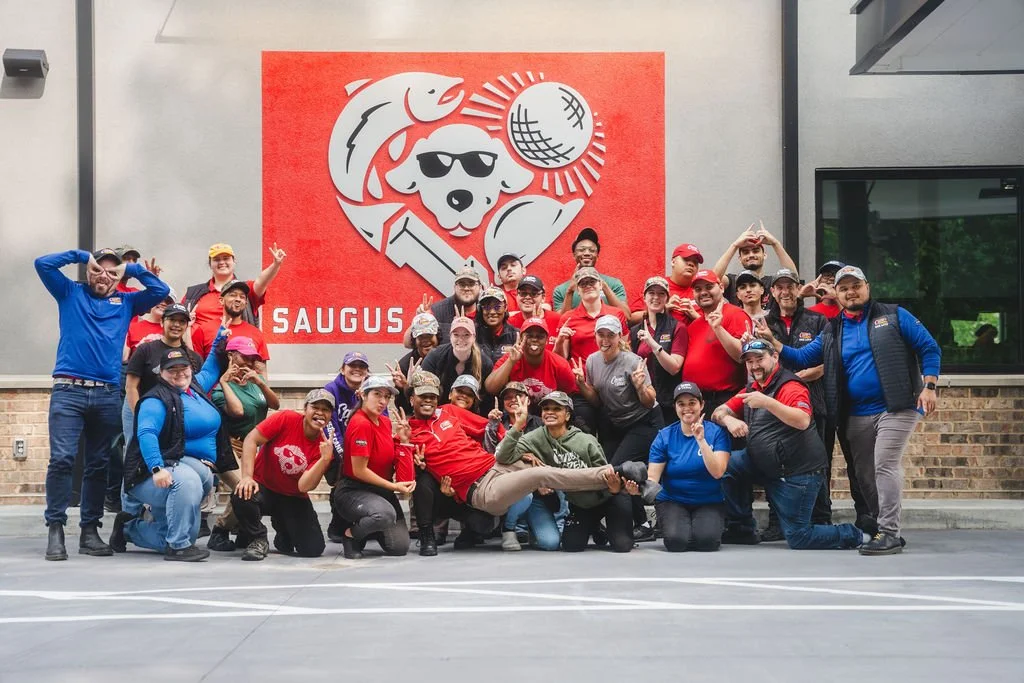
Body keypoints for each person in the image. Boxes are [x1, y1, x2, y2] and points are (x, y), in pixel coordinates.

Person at [766, 266, 941, 555]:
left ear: (867, 287)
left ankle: (890, 533)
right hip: (856, 412)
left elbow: (929, 348)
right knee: (864, 474)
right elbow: (800, 357)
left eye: (855, 286)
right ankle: (882, 524)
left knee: (885, 463)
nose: (850, 292)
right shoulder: (833, 329)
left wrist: (930, 385)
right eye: (844, 288)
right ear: (837, 293)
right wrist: (773, 342)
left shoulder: (894, 315)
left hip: (896, 405)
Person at [405, 371, 657, 556]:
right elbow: (405, 476)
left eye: (432, 395)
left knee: (548, 468)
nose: (428, 400)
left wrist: (516, 451)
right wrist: (407, 448)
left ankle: (629, 483)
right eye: (422, 396)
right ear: (412, 399)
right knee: (541, 475)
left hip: (495, 466)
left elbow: (490, 429)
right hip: (481, 491)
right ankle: (617, 471)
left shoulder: (449, 412)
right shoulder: (405, 433)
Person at [35, 247, 170, 561]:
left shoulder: (125, 302)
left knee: (98, 464)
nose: (104, 276)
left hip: (107, 393)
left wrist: (131, 270)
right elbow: (42, 264)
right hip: (68, 390)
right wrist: (81, 256)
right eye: (99, 269)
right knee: (62, 460)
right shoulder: (69, 292)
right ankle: (55, 528)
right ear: (89, 271)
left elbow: (161, 291)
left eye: (112, 272)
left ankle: (89, 531)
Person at [712, 340, 866, 550]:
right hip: (763, 463)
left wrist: (767, 402)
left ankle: (857, 535)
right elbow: (718, 412)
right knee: (726, 466)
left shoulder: (790, 386)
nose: (755, 365)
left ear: (775, 357)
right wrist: (729, 420)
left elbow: (802, 420)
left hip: (796, 472)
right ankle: (742, 528)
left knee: (798, 535)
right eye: (749, 361)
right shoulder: (754, 388)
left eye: (760, 359)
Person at [111, 331, 239, 561]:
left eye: (183, 368)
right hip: (149, 474)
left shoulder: (194, 387)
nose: (179, 373)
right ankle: (177, 546)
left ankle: (129, 528)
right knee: (187, 483)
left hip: (181, 462)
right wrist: (157, 468)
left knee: (201, 480)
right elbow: (146, 433)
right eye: (172, 369)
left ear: (190, 368)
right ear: (161, 373)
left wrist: (220, 339)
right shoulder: (155, 399)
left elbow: (211, 366)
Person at [495, 391, 635, 553]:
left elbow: (605, 476)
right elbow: (502, 456)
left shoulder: (586, 441)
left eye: (556, 409)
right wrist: (519, 424)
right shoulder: (534, 438)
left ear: (567, 415)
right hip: (581, 504)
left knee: (622, 545)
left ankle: (604, 527)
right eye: (546, 409)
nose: (550, 413)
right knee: (571, 545)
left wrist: (614, 491)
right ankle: (592, 526)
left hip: (609, 497)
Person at [574, 315, 662, 541]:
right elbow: (596, 401)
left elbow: (650, 401)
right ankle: (638, 523)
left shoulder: (633, 362)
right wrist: (582, 384)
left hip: (644, 421)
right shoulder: (592, 361)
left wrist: (641, 386)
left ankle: (642, 510)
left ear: (619, 337)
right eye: (600, 335)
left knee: (619, 469)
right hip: (616, 423)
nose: (605, 340)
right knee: (612, 469)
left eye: (610, 335)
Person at [757, 268, 830, 541]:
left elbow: (830, 359)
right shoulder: (763, 324)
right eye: (780, 287)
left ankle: (822, 517)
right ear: (772, 292)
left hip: (814, 401)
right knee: (776, 463)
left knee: (817, 461)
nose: (786, 292)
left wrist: (810, 373)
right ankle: (777, 522)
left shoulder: (818, 321)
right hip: (775, 404)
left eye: (791, 286)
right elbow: (757, 364)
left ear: (800, 289)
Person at [230, 389, 338, 561]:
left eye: (325, 410)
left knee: (313, 549)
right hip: (263, 486)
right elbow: (251, 439)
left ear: (331, 414)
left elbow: (304, 486)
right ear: (305, 409)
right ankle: (257, 538)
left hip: (292, 496)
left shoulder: (325, 446)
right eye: (315, 407)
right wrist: (247, 477)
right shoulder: (286, 419)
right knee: (242, 493)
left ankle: (283, 530)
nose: (320, 413)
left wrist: (324, 460)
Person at [206, 336, 280, 551]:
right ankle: (220, 531)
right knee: (244, 488)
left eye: (252, 358)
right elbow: (237, 411)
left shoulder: (256, 381)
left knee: (251, 489)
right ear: (231, 356)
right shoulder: (221, 387)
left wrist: (260, 382)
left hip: (253, 447)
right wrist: (224, 382)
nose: (248, 362)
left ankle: (242, 529)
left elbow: (275, 404)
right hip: (230, 448)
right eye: (244, 357)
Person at [333, 376, 415, 560]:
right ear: (363, 395)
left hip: (379, 490)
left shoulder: (384, 422)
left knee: (399, 547)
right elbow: (359, 471)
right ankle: (350, 535)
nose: (383, 401)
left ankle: (370, 525)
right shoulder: (360, 423)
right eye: (377, 394)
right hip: (354, 490)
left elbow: (388, 453)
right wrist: (394, 487)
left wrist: (403, 441)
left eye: (387, 397)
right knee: (384, 515)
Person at [648, 382, 731, 552]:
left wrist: (701, 440)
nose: (687, 408)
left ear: (701, 405)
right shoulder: (664, 436)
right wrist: (639, 489)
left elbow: (718, 472)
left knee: (707, 542)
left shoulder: (717, 433)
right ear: (675, 408)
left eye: (692, 403)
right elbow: (652, 479)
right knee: (675, 542)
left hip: (709, 500)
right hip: (673, 500)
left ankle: (697, 529)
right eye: (681, 404)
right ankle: (681, 528)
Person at [680, 269, 751, 417]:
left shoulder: (735, 314)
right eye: (698, 289)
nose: (703, 292)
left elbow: (742, 355)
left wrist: (718, 328)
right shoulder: (694, 326)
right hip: (696, 402)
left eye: (708, 287)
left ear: (721, 287)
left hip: (725, 400)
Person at [183, 242, 285, 341]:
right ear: (210, 264)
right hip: (199, 355)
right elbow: (177, 318)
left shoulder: (246, 289)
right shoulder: (193, 293)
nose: (222, 262)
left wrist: (275, 265)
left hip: (238, 354)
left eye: (226, 258)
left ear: (234, 261)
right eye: (217, 259)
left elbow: (262, 281)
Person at [322, 351, 371, 542]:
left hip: (364, 449)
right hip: (338, 451)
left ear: (367, 372)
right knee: (342, 483)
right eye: (352, 365)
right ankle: (338, 524)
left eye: (362, 366)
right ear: (343, 369)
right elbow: (329, 424)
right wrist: (344, 453)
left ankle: (363, 523)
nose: (357, 370)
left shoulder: (372, 390)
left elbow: (380, 420)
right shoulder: (331, 390)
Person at [629, 276, 687, 425]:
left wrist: (652, 343)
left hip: (669, 402)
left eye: (661, 294)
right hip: (644, 402)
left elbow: (674, 368)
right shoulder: (636, 330)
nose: (656, 297)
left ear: (667, 298)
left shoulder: (677, 327)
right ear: (644, 297)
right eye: (651, 293)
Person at [485, 317, 577, 408]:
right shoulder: (510, 358)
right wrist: (511, 361)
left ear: (547, 341)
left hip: (547, 414)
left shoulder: (560, 364)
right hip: (516, 412)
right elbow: (491, 388)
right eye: (529, 336)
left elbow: (567, 396)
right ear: (521, 339)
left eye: (540, 336)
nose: (534, 339)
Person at [420, 315, 494, 414]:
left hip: (470, 416)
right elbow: (422, 393)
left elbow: (486, 401)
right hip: (438, 414)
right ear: (450, 336)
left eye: (466, 335)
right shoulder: (434, 357)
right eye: (456, 335)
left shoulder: (485, 363)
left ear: (474, 337)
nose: (461, 339)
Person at [713, 222, 797, 306]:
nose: (751, 255)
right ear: (740, 259)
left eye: (756, 251)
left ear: (764, 255)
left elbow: (793, 277)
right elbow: (713, 279)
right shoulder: (734, 281)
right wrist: (734, 245)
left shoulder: (773, 282)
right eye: (746, 252)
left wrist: (775, 243)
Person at [552, 228, 630, 316]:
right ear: (574, 255)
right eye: (581, 250)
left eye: (592, 250)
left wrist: (604, 286)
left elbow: (626, 316)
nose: (587, 253)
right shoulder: (561, 290)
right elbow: (561, 322)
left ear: (597, 256)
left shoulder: (614, 284)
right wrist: (570, 291)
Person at [404, 264, 482, 346]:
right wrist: (420, 319)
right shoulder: (437, 311)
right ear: (455, 287)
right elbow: (408, 344)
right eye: (462, 284)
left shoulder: (485, 312)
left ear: (480, 287)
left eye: (471, 283)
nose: (466, 288)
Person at [191, 280, 270, 359]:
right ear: (221, 300)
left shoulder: (256, 333)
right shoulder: (203, 330)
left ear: (246, 303)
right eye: (233, 295)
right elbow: (196, 367)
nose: (238, 299)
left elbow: (262, 369)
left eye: (242, 297)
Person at [629, 243, 704, 325]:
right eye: (686, 259)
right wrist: (659, 310)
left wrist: (695, 316)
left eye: (695, 262)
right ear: (673, 262)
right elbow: (631, 320)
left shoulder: (702, 290)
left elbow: (713, 326)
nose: (691, 264)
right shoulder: (656, 285)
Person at [507, 274, 561, 343]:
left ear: (543, 297)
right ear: (517, 296)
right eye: (523, 293)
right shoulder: (509, 324)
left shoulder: (557, 320)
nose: (527, 297)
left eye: (534, 294)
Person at [475, 287, 518, 362]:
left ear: (505, 308)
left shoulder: (516, 336)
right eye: (487, 307)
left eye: (497, 307)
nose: (492, 312)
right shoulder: (473, 334)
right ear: (481, 310)